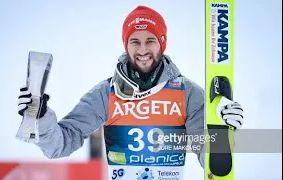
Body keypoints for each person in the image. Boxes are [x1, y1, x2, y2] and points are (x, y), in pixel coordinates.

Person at [17, 5, 244, 180]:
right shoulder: (106, 94)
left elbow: (211, 160)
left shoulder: (187, 93)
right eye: (135, 41)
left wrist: (222, 131)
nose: (142, 50)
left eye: (150, 41)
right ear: (126, 45)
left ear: (162, 44)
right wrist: (41, 118)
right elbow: (60, 145)